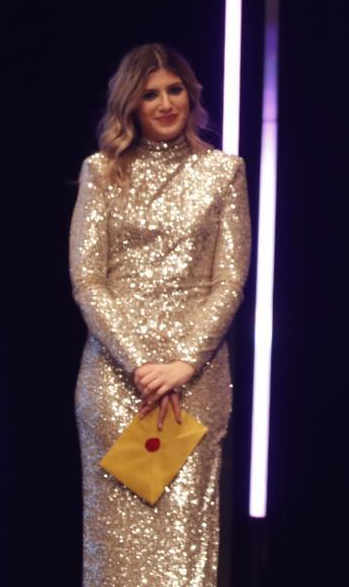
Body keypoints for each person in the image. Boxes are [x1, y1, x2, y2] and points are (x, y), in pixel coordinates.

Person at [69, 43, 251, 587]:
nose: (165, 103)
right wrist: (142, 363)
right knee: (118, 542)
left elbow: (231, 280)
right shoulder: (102, 172)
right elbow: (87, 280)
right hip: (117, 380)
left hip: (193, 383)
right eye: (150, 94)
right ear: (131, 103)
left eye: (174, 90)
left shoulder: (223, 172)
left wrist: (185, 363)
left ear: (190, 96)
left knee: (182, 541)